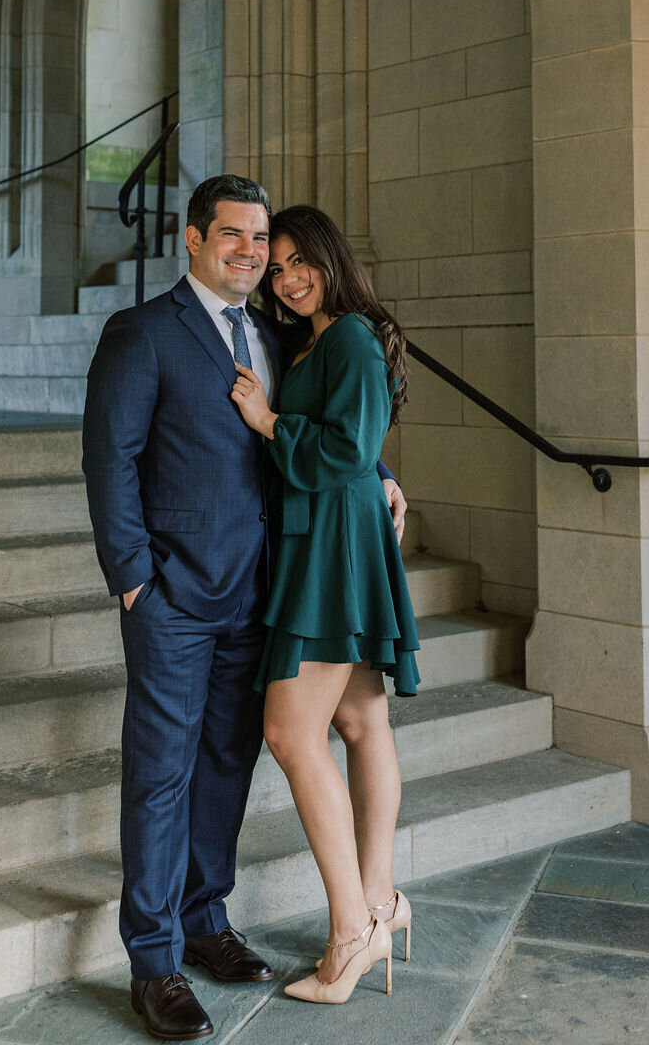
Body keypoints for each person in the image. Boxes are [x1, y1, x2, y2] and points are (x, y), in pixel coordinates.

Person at [82, 174, 406, 1041]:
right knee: (161, 776)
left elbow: (322, 422)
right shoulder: (142, 332)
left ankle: (204, 920)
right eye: (234, 236)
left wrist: (377, 475)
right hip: (175, 595)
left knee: (228, 762)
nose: (252, 254)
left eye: (261, 241)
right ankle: (153, 960)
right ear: (192, 239)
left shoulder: (278, 332)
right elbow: (109, 460)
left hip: (264, 589)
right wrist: (133, 579)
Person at [229, 203, 419, 1007]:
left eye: (301, 260)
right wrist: (380, 473)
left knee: (289, 731)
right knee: (358, 723)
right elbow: (359, 442)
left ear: (333, 258)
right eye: (277, 268)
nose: (289, 277)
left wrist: (268, 420)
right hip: (332, 534)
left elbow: (342, 448)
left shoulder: (347, 336)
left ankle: (351, 932)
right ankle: (380, 903)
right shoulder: (318, 340)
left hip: (333, 545)